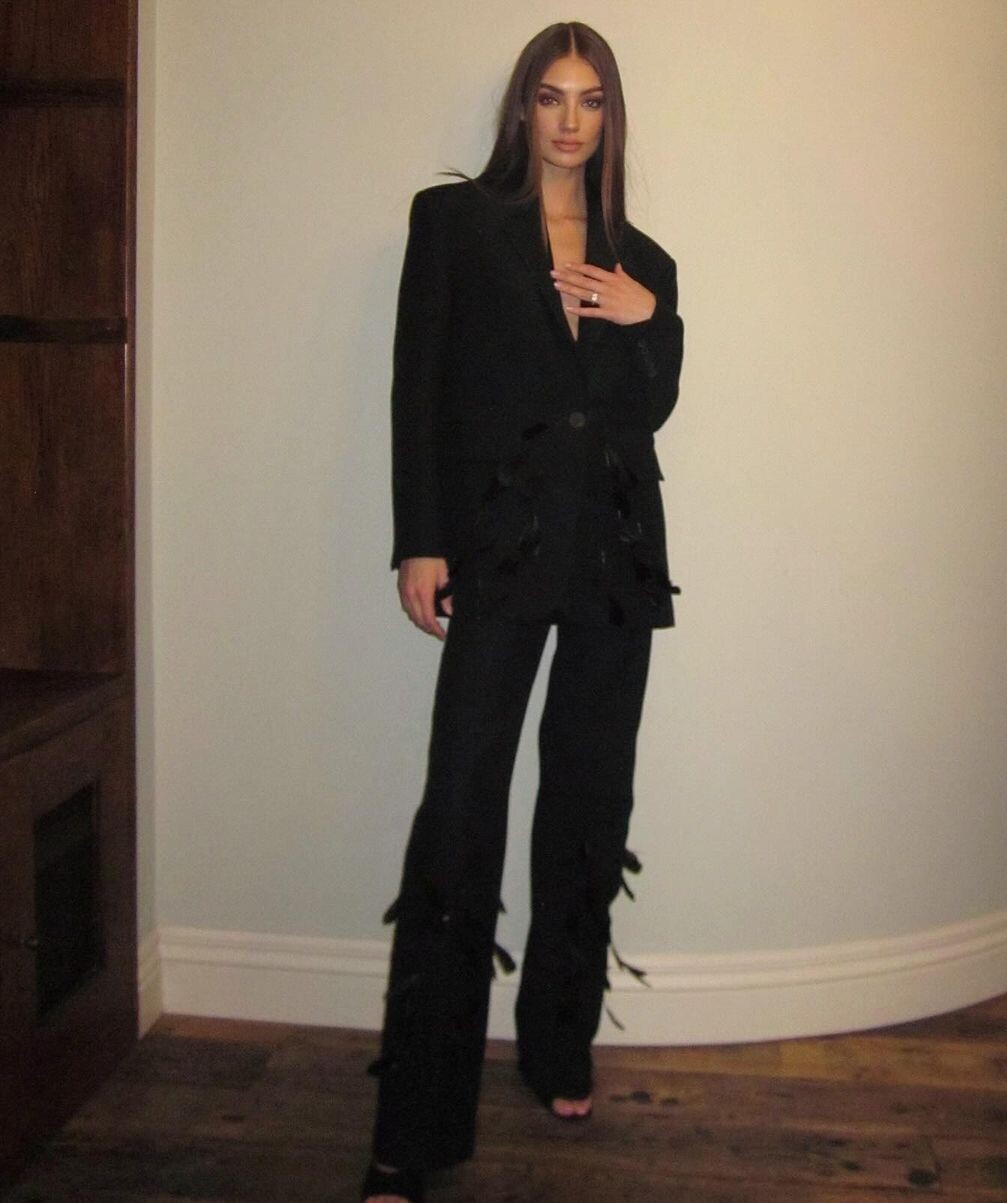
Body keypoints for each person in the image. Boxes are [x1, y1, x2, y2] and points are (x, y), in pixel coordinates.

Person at [362, 20, 684, 1203]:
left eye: (590, 100)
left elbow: (650, 409)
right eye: (551, 97)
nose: (569, 120)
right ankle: (415, 1124)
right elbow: (418, 387)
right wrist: (422, 537)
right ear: (522, 109)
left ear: (610, 117)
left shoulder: (644, 258)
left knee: (589, 803)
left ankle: (558, 1041)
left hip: (615, 556)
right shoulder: (456, 223)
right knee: (460, 812)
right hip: (497, 550)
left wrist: (652, 320)